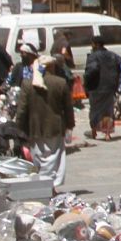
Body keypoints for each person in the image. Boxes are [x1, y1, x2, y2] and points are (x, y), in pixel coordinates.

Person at [15, 54, 74, 192]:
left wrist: (19, 129)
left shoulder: (27, 84)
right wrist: (70, 125)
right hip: (55, 128)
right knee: (54, 160)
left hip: (35, 129)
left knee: (39, 159)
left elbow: (22, 110)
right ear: (52, 66)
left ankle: (44, 187)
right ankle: (50, 187)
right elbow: (68, 108)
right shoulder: (60, 83)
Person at [82, 36, 121, 141]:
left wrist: (85, 82)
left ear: (95, 44)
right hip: (110, 87)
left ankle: (94, 131)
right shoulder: (113, 55)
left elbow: (92, 69)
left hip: (96, 87)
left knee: (95, 110)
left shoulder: (93, 57)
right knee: (107, 111)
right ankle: (107, 134)